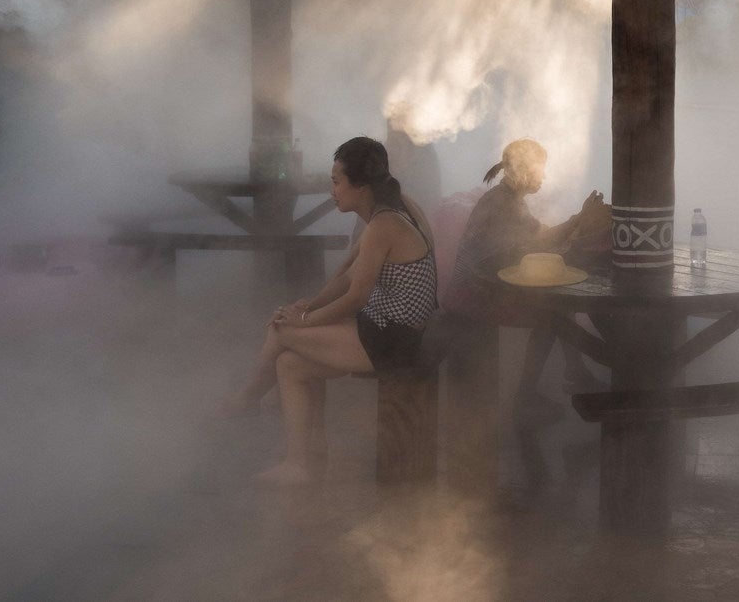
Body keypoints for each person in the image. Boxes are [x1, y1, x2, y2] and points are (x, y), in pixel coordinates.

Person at [222, 136, 438, 484]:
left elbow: (355, 296)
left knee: (281, 331)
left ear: (361, 185)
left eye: (337, 182)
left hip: (395, 340)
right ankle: (302, 461)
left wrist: (303, 322)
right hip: (385, 325)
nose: (332, 190)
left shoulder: (384, 225)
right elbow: (343, 277)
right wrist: (310, 305)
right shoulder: (391, 208)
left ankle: (248, 399)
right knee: (289, 364)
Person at [447, 139, 608, 413]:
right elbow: (540, 243)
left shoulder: (508, 200)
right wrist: (579, 220)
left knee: (557, 313)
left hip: (483, 287)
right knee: (550, 317)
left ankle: (572, 373)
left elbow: (538, 236)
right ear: (522, 171)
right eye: (540, 170)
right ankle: (526, 397)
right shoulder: (503, 203)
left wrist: (578, 222)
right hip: (473, 293)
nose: (543, 176)